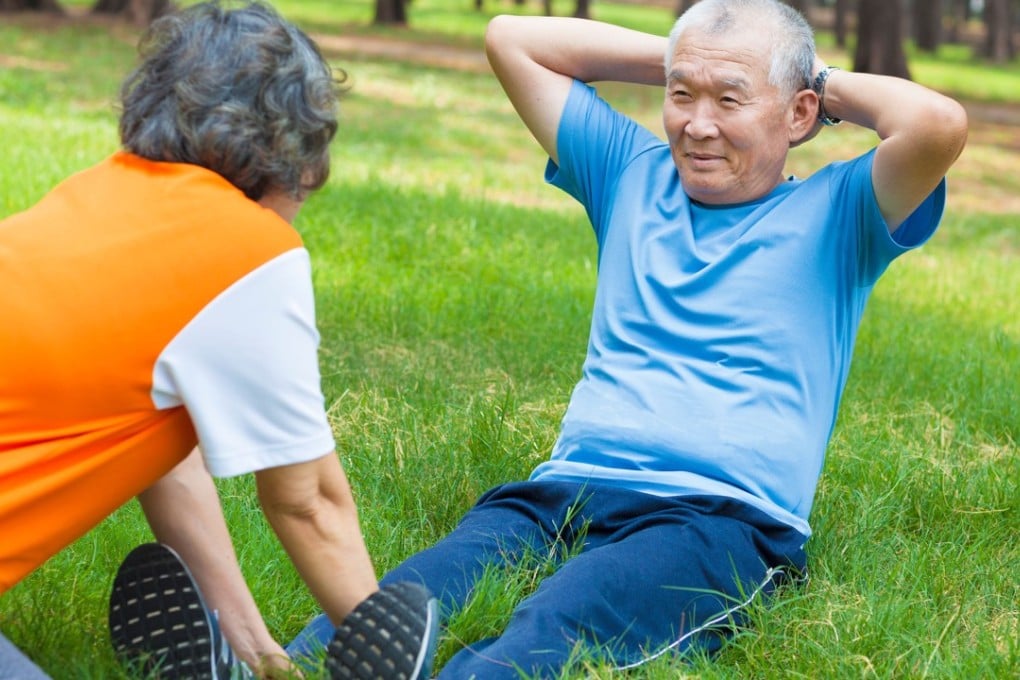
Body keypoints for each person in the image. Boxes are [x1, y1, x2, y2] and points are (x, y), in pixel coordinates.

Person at [284, 0, 969, 677]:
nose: (698, 126)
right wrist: (692, 57)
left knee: (555, 629)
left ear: (798, 115)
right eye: (682, 96)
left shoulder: (841, 211)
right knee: (399, 601)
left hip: (715, 519)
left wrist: (803, 77)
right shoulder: (630, 172)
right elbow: (512, 39)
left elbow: (937, 123)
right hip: (563, 494)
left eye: (730, 101)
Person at [0, 2, 437, 679]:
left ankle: (234, 663)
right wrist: (385, 648)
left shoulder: (94, 195)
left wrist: (260, 652)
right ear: (295, 149)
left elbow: (158, 452)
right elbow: (308, 499)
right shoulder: (251, 249)